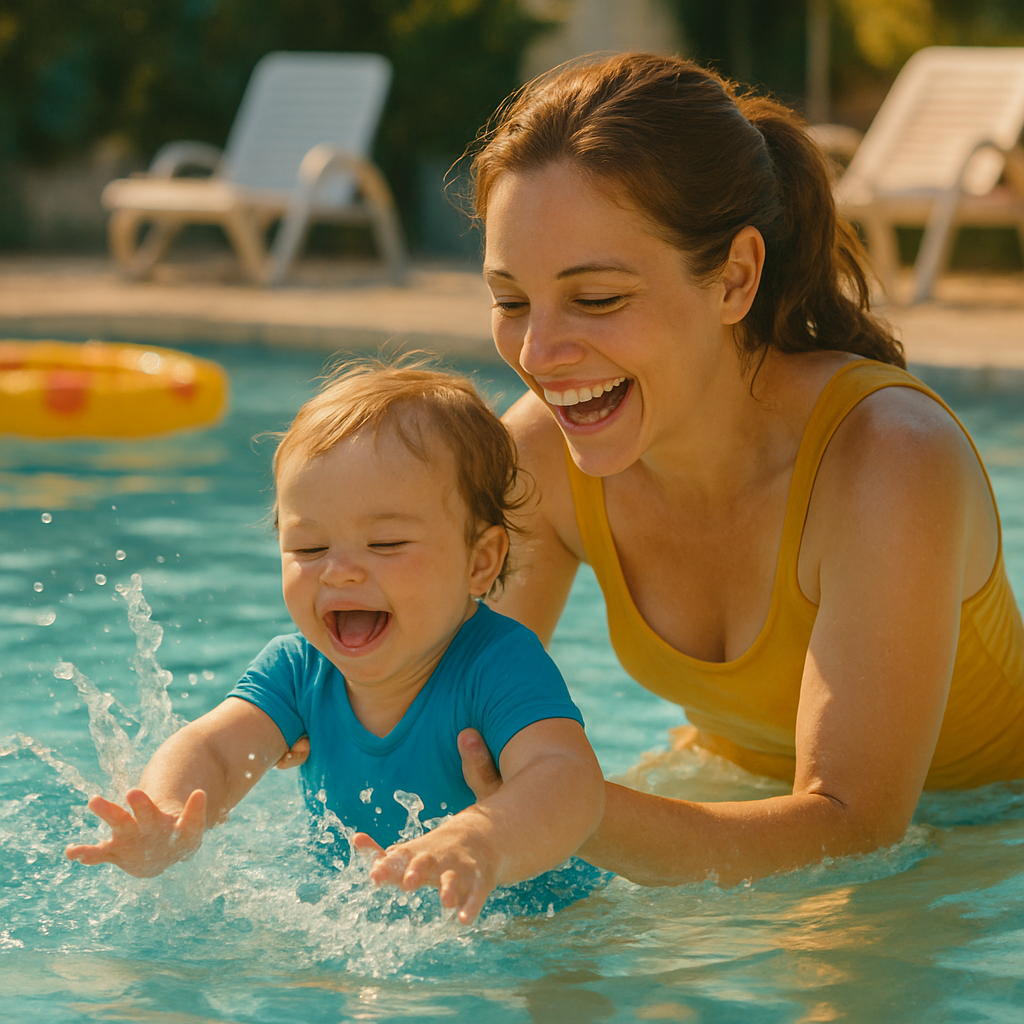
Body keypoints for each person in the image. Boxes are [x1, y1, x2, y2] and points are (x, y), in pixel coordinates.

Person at [449, 52, 1024, 888]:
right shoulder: (541, 454)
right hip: (722, 796)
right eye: (510, 301)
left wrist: (566, 804)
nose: (538, 353)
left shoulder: (889, 461)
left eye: (599, 298)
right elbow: (451, 703)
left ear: (735, 278)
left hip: (991, 837)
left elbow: (856, 826)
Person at [65, 363, 605, 924]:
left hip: (544, 925)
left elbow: (567, 779)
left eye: (386, 541)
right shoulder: (299, 669)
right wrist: (173, 813)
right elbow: (214, 750)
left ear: (480, 561)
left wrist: (482, 840)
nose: (340, 572)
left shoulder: (498, 664)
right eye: (309, 547)